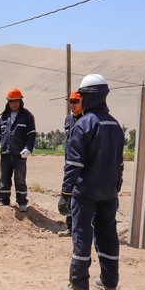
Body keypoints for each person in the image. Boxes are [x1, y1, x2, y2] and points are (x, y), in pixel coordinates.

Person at [58, 74, 124, 290]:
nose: (80, 100)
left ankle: (79, 284)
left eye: (82, 96)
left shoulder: (84, 124)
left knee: (82, 234)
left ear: (90, 96)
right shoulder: (114, 124)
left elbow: (74, 164)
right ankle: (110, 282)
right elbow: (119, 162)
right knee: (108, 234)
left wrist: (66, 192)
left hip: (85, 192)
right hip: (109, 191)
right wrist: (116, 186)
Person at [0, 88, 36, 212]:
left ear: (20, 101)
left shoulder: (27, 116)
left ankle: (22, 202)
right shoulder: (3, 117)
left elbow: (31, 135)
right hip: (5, 153)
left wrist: (28, 149)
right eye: (11, 101)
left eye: (16, 101)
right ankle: (3, 200)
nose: (14, 104)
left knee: (20, 178)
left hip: (20, 155)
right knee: (4, 177)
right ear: (8, 102)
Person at [57, 91, 84, 238]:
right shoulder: (68, 120)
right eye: (71, 102)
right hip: (69, 164)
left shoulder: (87, 120)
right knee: (70, 194)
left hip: (82, 165)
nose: (72, 105)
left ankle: (80, 228)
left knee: (82, 196)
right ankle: (70, 226)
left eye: (75, 102)